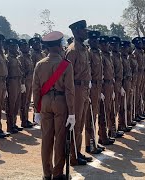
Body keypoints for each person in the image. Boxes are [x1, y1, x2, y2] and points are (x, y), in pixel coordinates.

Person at [33, 31, 75, 180]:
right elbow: (70, 90)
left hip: (44, 103)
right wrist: (72, 113)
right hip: (60, 102)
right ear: (57, 46)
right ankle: (57, 174)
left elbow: (36, 89)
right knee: (60, 138)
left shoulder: (39, 64)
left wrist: (36, 111)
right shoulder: (65, 64)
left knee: (46, 139)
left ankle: (46, 173)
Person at [65, 20, 93, 166]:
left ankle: (77, 151)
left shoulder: (83, 48)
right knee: (75, 123)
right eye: (83, 30)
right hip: (75, 90)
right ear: (76, 32)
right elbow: (67, 75)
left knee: (81, 122)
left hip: (84, 89)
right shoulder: (73, 50)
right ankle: (73, 155)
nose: (86, 32)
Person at [86, 30, 104, 154]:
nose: (95, 42)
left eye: (97, 40)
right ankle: (90, 145)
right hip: (91, 88)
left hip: (98, 87)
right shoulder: (89, 54)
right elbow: (88, 72)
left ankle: (94, 142)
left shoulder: (98, 54)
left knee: (95, 115)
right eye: (93, 40)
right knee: (90, 117)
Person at [98, 36, 116, 145]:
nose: (107, 46)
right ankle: (102, 136)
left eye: (107, 44)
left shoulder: (108, 56)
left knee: (108, 110)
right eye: (104, 44)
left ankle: (106, 134)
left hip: (109, 85)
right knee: (103, 112)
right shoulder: (100, 56)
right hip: (103, 86)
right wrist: (100, 91)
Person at [5, 38, 24, 134]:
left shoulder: (16, 58)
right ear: (8, 47)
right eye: (12, 46)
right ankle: (10, 125)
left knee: (17, 104)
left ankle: (14, 123)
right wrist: (5, 87)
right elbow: (6, 73)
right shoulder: (7, 58)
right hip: (11, 82)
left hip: (17, 81)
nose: (15, 48)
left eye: (15, 46)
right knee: (11, 105)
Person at [18, 39, 34, 128]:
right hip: (25, 82)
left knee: (27, 102)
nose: (26, 47)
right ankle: (24, 121)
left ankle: (26, 119)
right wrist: (22, 83)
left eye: (27, 46)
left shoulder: (29, 57)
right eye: (24, 46)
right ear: (20, 48)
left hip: (30, 81)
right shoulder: (21, 58)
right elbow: (22, 72)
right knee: (23, 102)